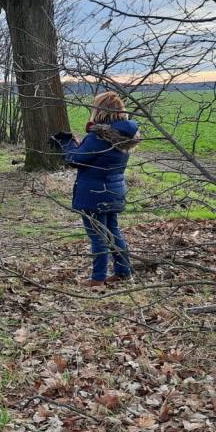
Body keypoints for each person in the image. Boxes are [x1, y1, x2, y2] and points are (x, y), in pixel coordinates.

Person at [51, 92, 140, 287]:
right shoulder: (124, 136)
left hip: (94, 194)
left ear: (100, 111)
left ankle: (98, 278)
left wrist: (66, 143)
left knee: (98, 236)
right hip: (114, 191)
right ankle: (123, 272)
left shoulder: (99, 137)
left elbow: (75, 159)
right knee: (113, 232)